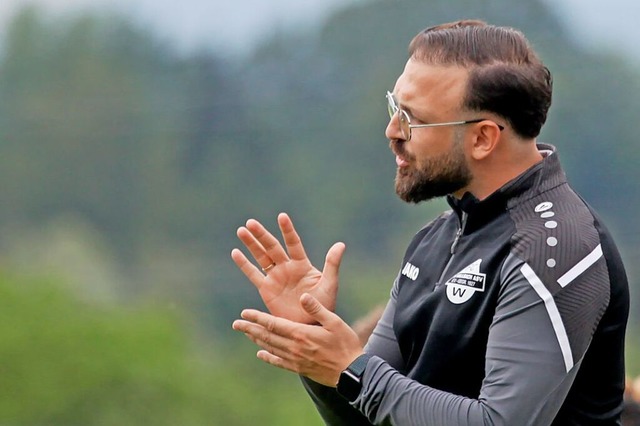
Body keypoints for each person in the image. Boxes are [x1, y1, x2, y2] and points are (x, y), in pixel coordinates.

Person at [231, 20, 630, 425]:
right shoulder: (436, 238)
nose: (391, 131)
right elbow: (370, 414)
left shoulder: (556, 248)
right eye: (394, 107)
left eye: (411, 118)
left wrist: (351, 369)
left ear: (483, 138)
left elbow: (499, 422)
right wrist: (319, 349)